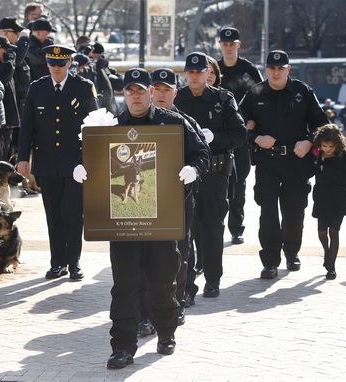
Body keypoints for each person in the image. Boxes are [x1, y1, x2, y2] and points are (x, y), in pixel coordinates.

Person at [73, 68, 209, 368]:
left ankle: (166, 333)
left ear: (150, 93)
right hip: (123, 225)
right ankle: (122, 346)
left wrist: (193, 170)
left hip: (164, 220)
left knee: (162, 281)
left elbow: (202, 154)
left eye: (140, 91)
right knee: (124, 285)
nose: (135, 96)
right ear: (124, 94)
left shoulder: (173, 122)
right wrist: (81, 169)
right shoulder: (111, 126)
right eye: (129, 91)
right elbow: (87, 156)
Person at [240, 50, 328, 279]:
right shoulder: (255, 93)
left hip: (297, 161)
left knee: (294, 211)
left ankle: (291, 252)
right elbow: (237, 124)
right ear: (266, 69)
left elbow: (322, 123)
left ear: (288, 69)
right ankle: (270, 260)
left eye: (281, 68)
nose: (276, 73)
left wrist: (309, 142)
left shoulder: (303, 91)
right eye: (272, 68)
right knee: (267, 211)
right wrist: (256, 138)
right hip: (267, 162)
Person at [136, 68, 209, 334]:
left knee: (177, 255)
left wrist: (193, 169)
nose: (162, 94)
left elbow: (202, 154)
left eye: (168, 90)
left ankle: (174, 305)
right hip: (141, 200)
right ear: (149, 92)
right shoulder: (131, 120)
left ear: (175, 93)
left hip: (177, 200)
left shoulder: (183, 122)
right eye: (157, 89)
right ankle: (144, 314)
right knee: (142, 257)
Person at [17, 44, 98, 280]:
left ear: (70, 64)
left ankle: (74, 262)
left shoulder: (83, 87)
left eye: (60, 64)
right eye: (51, 64)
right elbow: (27, 126)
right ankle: (57, 263)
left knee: (73, 212)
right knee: (53, 214)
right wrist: (23, 158)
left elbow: (94, 124)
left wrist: (90, 160)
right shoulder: (37, 88)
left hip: (76, 163)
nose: (55, 69)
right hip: (47, 162)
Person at [175, 52, 246, 298]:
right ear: (185, 74)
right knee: (186, 229)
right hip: (186, 173)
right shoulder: (178, 99)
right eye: (190, 72)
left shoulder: (223, 99)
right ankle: (188, 283)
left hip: (215, 173)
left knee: (212, 227)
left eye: (199, 72)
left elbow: (239, 135)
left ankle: (213, 279)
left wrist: (216, 137)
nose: (195, 76)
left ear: (208, 73)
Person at [217, 27, 263, 246]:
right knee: (217, 183)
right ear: (220, 46)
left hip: (241, 135)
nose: (228, 48)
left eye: (231, 44)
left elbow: (261, 96)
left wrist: (254, 121)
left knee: (238, 183)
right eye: (224, 44)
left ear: (238, 45)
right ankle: (216, 225)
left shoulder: (249, 69)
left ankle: (236, 228)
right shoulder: (213, 69)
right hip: (217, 134)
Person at [311, 124, 346, 280]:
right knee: (321, 232)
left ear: (337, 144)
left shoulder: (345, 156)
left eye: (331, 146)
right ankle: (327, 253)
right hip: (322, 198)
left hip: (339, 199)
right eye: (324, 146)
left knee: (334, 231)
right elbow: (310, 171)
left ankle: (331, 266)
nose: (327, 149)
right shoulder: (316, 156)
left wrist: (326, 170)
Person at [0, 17, 30, 130]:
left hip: (21, 103)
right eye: (16, 32)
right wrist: (24, 39)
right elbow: (17, 59)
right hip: (9, 105)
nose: (18, 35)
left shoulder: (14, 48)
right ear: (5, 33)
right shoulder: (4, 51)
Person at [0, 35, 20, 161]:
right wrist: (9, 62)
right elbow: (3, 77)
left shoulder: (6, 65)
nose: (9, 54)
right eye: (6, 51)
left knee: (8, 158)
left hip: (9, 122)